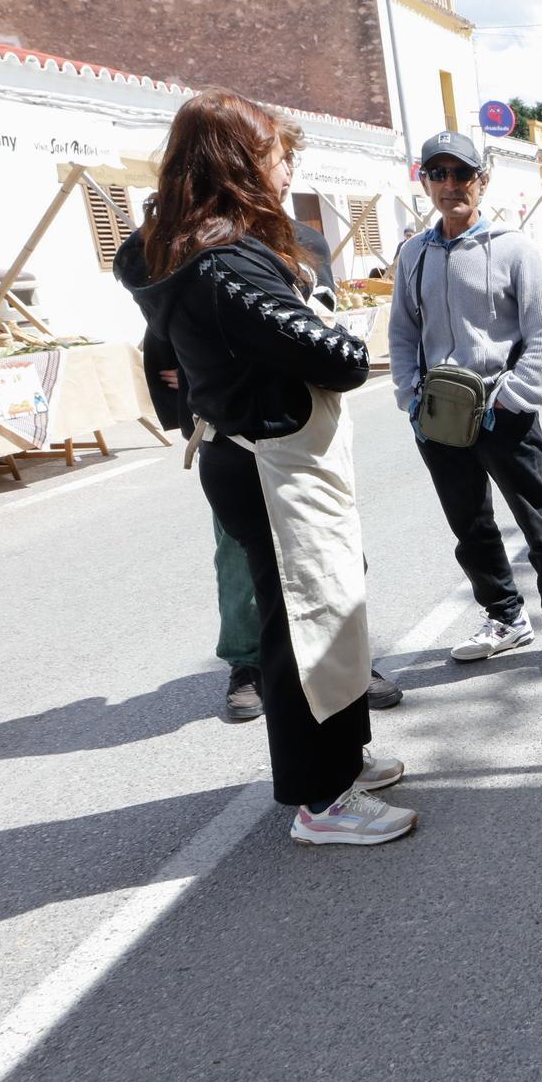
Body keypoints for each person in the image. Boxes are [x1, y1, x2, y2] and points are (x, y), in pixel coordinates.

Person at [116, 88, 415, 846]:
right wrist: (331, 322)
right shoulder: (222, 266)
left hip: (254, 454)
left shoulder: (169, 245)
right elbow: (341, 360)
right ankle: (323, 800)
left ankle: (344, 758)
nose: (287, 173)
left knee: (330, 610)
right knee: (303, 628)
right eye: (280, 158)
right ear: (240, 163)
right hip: (268, 465)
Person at [390, 131, 542, 677]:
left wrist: (514, 397)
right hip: (438, 418)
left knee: (538, 521)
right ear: (425, 181)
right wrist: (410, 398)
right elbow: (403, 334)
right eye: (438, 174)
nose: (450, 185)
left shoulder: (515, 249)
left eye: (462, 174)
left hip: (503, 413)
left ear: (482, 181)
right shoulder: (413, 254)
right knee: (469, 526)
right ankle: (504, 617)